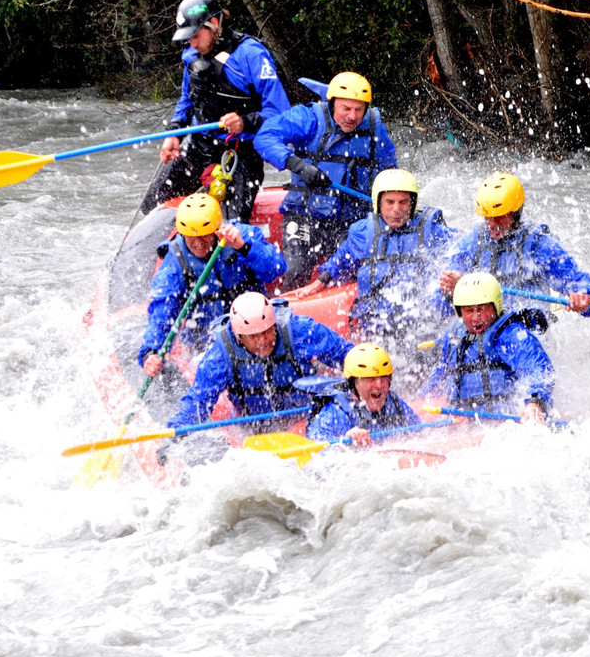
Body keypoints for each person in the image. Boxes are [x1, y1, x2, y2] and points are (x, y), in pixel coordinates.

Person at [140, 0, 291, 223]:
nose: (191, 43)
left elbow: (280, 113)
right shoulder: (191, 55)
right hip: (200, 145)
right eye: (187, 37)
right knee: (154, 203)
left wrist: (244, 122)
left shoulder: (251, 54)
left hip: (241, 152)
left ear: (215, 25)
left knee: (232, 226)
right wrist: (175, 133)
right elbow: (187, 99)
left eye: (195, 35)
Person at [300, 168, 456, 378]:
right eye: (390, 202)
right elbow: (341, 261)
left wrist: (456, 279)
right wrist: (320, 281)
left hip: (422, 327)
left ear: (413, 203)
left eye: (403, 202)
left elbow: (460, 250)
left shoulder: (431, 229)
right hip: (377, 326)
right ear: (378, 203)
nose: (397, 209)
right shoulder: (364, 232)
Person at [253, 72, 398, 289]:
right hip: (305, 214)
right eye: (345, 109)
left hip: (352, 220)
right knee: (295, 269)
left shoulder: (375, 127)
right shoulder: (308, 117)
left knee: (355, 273)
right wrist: (300, 166)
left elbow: (390, 173)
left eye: (359, 109)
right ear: (332, 104)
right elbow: (265, 137)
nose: (352, 116)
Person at [138, 193, 287, 376]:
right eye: (191, 237)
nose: (198, 243)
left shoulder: (242, 236)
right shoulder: (174, 263)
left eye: (204, 236)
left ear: (217, 229)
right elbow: (162, 311)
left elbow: (276, 268)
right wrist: (151, 351)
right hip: (206, 341)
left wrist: (243, 247)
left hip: (255, 330)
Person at [167, 291, 352, 430]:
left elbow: (347, 355)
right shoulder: (219, 357)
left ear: (274, 326)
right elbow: (198, 402)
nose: (262, 341)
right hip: (255, 427)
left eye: (266, 332)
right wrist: (176, 431)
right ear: (239, 336)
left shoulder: (299, 331)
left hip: (307, 418)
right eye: (253, 336)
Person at [436, 172, 590, 323]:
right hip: (486, 327)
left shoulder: (537, 245)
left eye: (499, 217)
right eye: (488, 217)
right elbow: (442, 301)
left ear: (515, 213)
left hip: (527, 331)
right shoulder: (474, 242)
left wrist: (584, 295)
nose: (492, 224)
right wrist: (451, 289)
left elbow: (578, 280)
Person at [421, 273, 554, 423]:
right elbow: (442, 371)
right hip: (462, 424)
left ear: (495, 306)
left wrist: (535, 403)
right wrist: (423, 398)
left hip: (502, 424)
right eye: (469, 311)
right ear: (459, 311)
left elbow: (539, 368)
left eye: (482, 309)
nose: (476, 317)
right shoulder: (453, 335)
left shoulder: (511, 334)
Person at [306, 343, 419, 445]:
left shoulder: (395, 402)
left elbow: (422, 434)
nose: (379, 385)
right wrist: (345, 442)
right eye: (370, 379)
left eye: (384, 377)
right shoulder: (336, 412)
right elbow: (315, 448)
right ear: (353, 382)